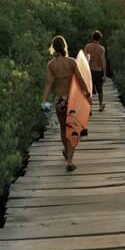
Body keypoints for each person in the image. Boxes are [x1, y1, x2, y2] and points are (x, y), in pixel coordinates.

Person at [42, 35, 91, 172]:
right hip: (72, 100)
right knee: (74, 129)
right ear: (64, 46)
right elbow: (81, 80)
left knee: (64, 129)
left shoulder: (51, 64)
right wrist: (87, 94)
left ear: (53, 48)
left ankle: (66, 150)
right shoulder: (71, 62)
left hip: (59, 100)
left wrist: (44, 101)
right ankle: (69, 161)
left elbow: (48, 84)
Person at [84, 30, 107, 111]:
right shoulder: (101, 49)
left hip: (89, 71)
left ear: (92, 37)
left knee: (89, 90)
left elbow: (84, 59)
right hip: (98, 71)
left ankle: (89, 108)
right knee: (100, 89)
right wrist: (104, 74)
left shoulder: (87, 46)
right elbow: (103, 61)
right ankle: (100, 105)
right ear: (100, 38)